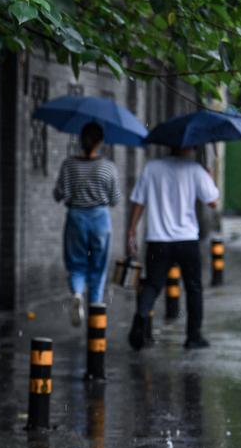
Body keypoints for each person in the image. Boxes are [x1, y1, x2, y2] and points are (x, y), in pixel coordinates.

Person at [126, 145, 219, 350]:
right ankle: (193, 337)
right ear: (188, 147)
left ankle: (140, 319)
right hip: (186, 241)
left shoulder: (151, 168)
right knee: (193, 288)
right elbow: (212, 201)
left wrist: (131, 230)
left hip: (157, 240)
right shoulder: (195, 170)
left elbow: (138, 201)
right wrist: (209, 177)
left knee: (152, 284)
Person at [53, 121, 122, 326]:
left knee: (76, 264)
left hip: (76, 217)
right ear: (100, 142)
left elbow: (58, 194)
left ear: (80, 140)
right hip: (100, 219)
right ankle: (95, 307)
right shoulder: (108, 167)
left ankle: (77, 293)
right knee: (98, 267)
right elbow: (115, 199)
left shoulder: (69, 165)